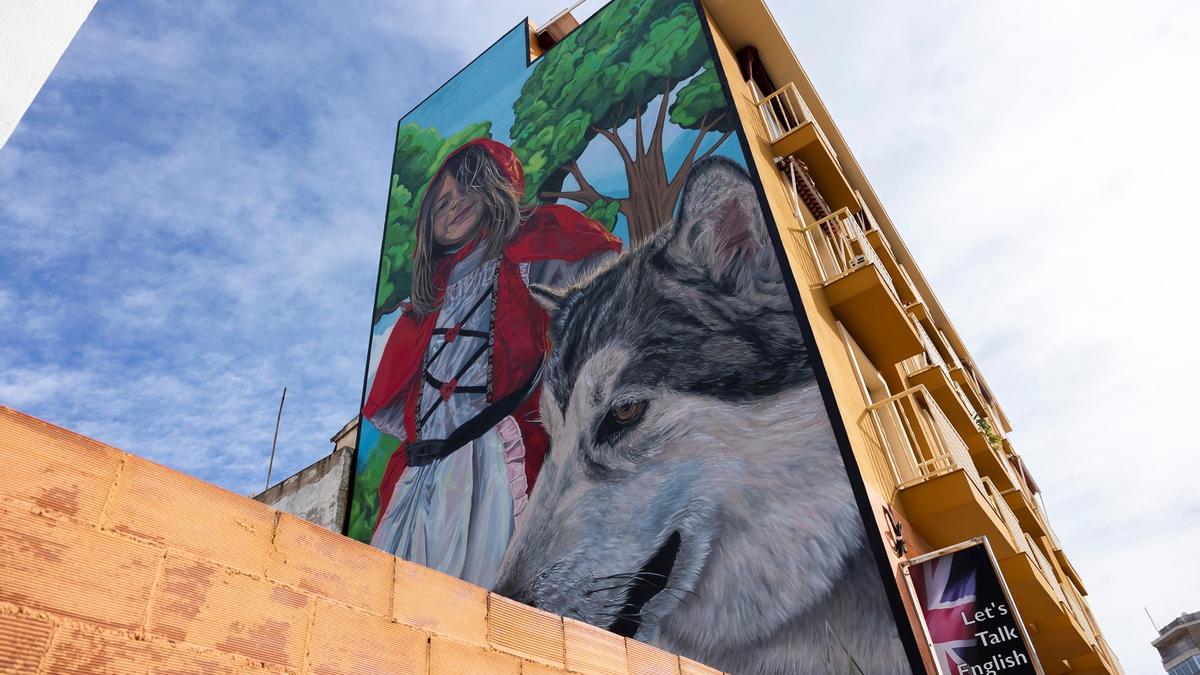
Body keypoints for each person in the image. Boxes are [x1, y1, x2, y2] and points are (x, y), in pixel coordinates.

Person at [362, 138, 621, 587]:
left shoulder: (526, 251)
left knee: (489, 591)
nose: (454, 205)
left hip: (491, 459)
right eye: (442, 201)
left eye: (468, 189)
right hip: (422, 474)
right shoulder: (425, 303)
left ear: (496, 189)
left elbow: (595, 294)